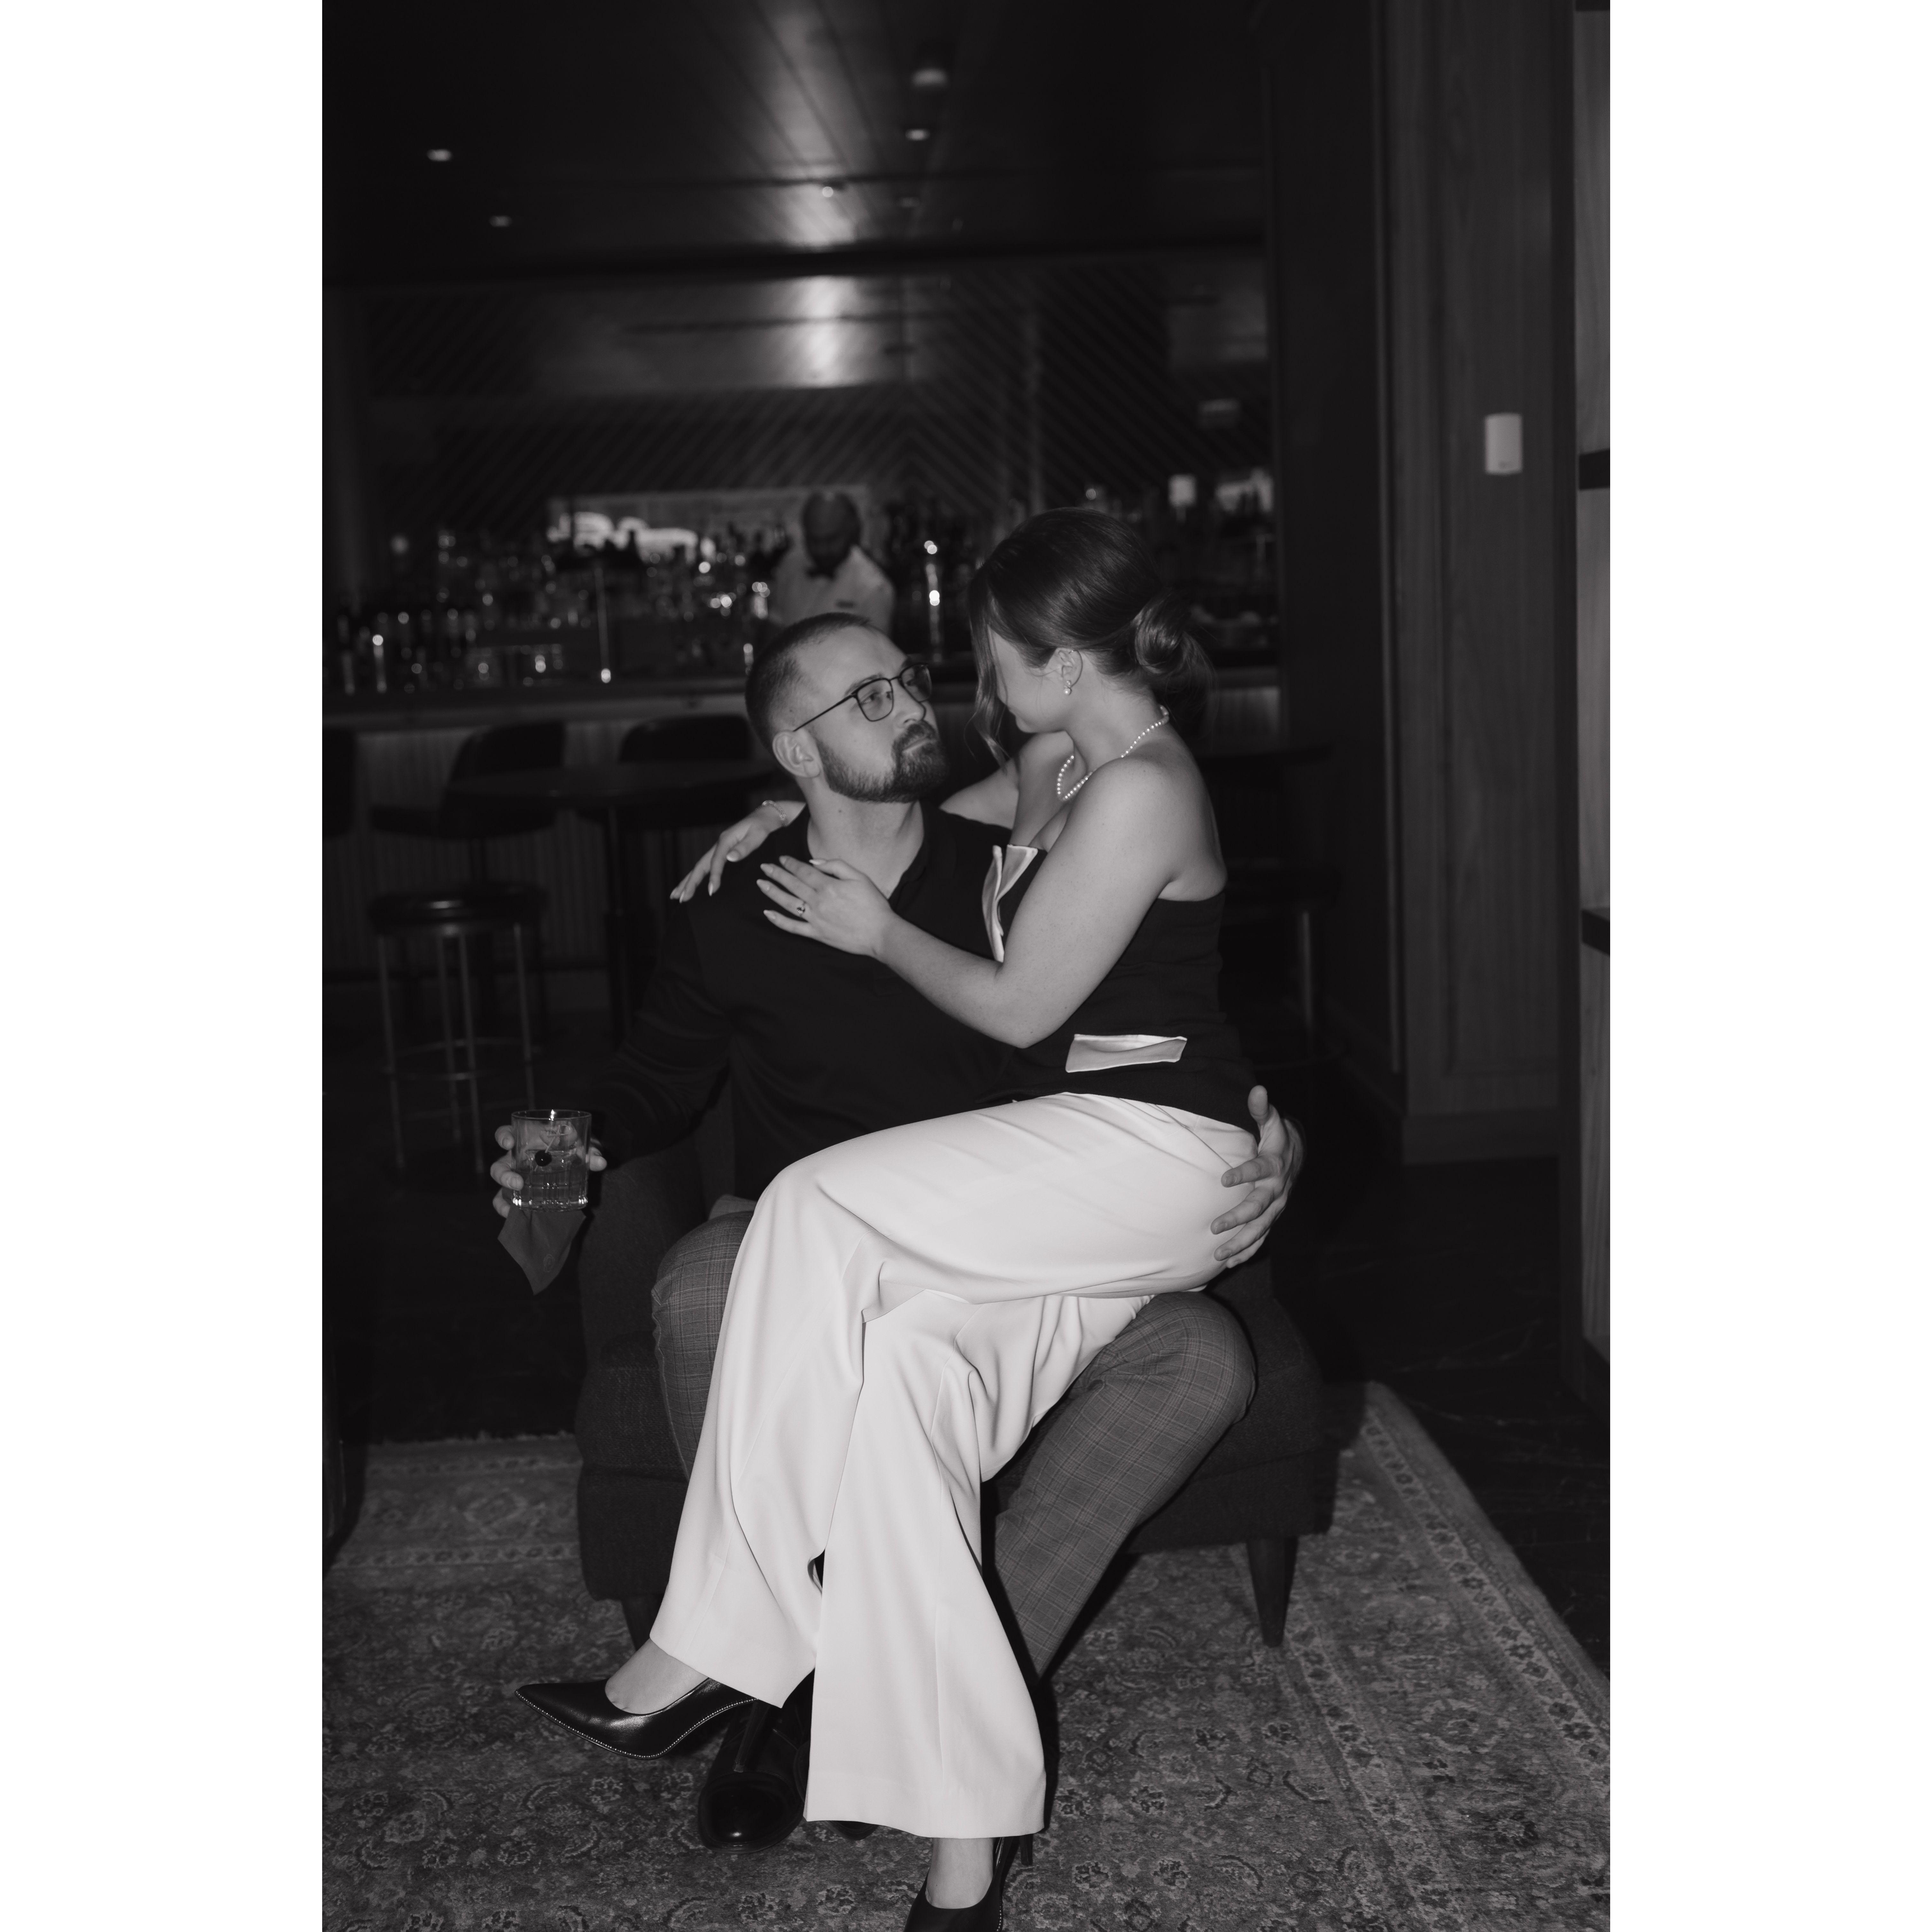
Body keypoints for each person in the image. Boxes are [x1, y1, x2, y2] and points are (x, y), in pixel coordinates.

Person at [511, 512, 1290, 1931]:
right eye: (875, 692)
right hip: (1062, 1184)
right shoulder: (1054, 767)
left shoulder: (1141, 786)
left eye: (974, 659)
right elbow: (954, 817)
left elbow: (1031, 1005)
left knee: (807, 1205)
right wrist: (775, 814)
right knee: (904, 1413)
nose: (950, 689)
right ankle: (964, 1857)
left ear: (1060, 661)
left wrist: (875, 928)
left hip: (1134, 1152)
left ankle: (714, 1649)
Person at [765, 490, 896, 634]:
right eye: (814, 540)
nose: (822, 550)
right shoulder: (790, 564)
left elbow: (876, 648)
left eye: (831, 540)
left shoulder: (874, 589)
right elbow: (774, 625)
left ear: (850, 532)